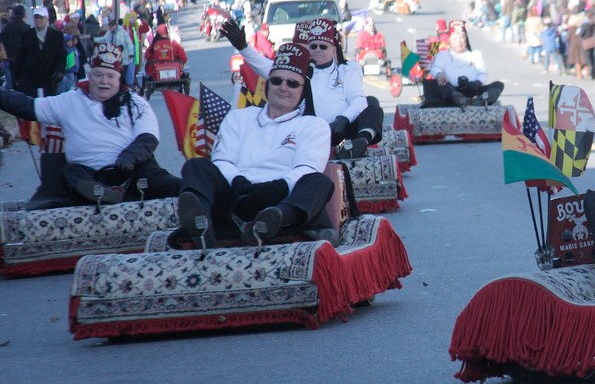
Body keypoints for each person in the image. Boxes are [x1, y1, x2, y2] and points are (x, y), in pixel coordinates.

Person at [167, 42, 335, 248]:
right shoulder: (238, 117)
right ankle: (200, 224)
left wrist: (277, 187)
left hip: (281, 199)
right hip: (237, 196)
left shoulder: (314, 125)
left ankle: (271, 222)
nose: (283, 87)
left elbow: (308, 167)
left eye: (292, 83)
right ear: (267, 85)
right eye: (276, 81)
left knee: (318, 182)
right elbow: (222, 159)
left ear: (302, 91)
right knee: (196, 166)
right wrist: (238, 181)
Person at [0, 42, 180, 209]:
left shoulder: (135, 102)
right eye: (98, 75)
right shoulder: (70, 100)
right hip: (88, 173)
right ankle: (100, 195)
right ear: (90, 75)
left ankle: (190, 194)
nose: (104, 81)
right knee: (70, 173)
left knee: (158, 177)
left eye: (110, 76)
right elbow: (27, 106)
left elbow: (148, 137)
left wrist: (129, 157)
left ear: (119, 79)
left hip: (131, 170)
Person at [220, 17, 384, 159]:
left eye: (323, 46)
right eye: (313, 46)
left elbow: (357, 100)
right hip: (309, 130)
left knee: (371, 104)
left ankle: (361, 142)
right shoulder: (301, 71)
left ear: (334, 49)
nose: (318, 50)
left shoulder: (347, 70)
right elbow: (268, 68)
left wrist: (343, 118)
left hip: (342, 129)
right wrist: (244, 48)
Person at [426, 20, 504, 109]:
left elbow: (482, 73)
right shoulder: (443, 54)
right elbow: (435, 68)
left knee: (499, 85)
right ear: (449, 41)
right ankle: (458, 99)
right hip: (452, 90)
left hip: (473, 89)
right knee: (440, 85)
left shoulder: (475, 54)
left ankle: (478, 101)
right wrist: (439, 74)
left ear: (466, 39)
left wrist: (477, 83)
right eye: (455, 38)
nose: (459, 41)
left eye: (462, 38)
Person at [12, 7, 66, 96]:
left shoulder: (57, 35)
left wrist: (60, 70)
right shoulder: (26, 35)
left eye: (41, 18)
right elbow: (20, 56)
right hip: (30, 77)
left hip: (49, 76)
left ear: (47, 19)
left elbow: (61, 54)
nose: (38, 20)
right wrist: (17, 75)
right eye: (36, 18)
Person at [0, 5, 30, 89]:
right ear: (24, 14)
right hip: (23, 60)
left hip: (9, 59)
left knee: (11, 82)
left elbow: (1, 41)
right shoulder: (26, 28)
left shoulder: (6, 27)